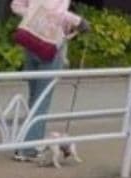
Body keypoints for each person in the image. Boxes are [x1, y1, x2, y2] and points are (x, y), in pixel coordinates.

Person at [11, 0, 89, 161]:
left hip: (30, 42)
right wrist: (78, 21)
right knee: (42, 99)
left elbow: (16, 5)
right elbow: (56, 12)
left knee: (34, 97)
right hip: (50, 46)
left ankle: (26, 142)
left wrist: (35, 16)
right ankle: (29, 149)